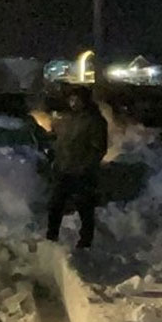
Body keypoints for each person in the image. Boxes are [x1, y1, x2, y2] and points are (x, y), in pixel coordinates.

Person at [46, 85, 108, 248]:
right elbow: (60, 142)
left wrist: (85, 166)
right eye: (71, 99)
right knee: (55, 206)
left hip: (82, 172)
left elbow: (99, 148)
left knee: (85, 207)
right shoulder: (67, 119)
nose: (73, 103)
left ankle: (85, 241)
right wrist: (56, 160)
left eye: (76, 99)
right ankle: (51, 237)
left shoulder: (94, 120)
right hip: (64, 169)